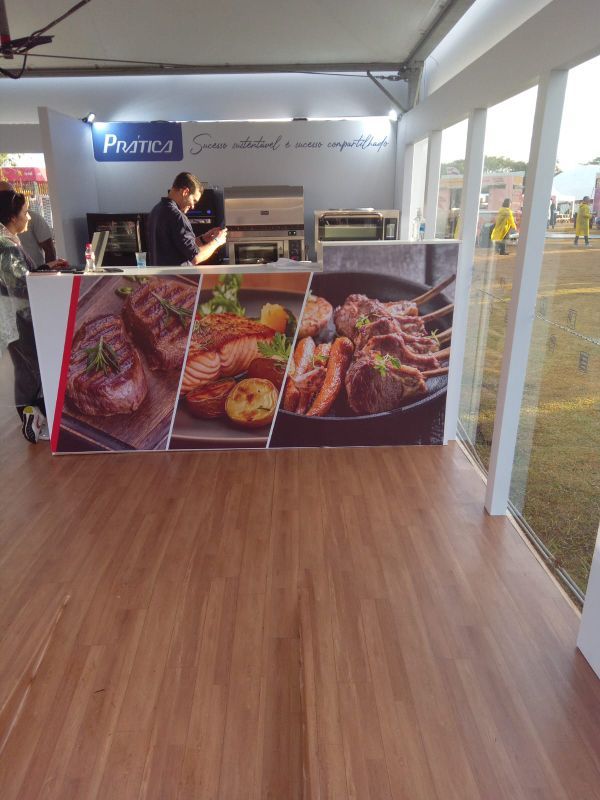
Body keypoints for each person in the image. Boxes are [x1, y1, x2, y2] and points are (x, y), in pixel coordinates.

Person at [0, 190, 68, 443]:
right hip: (17, 319)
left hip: (14, 317)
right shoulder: (6, 246)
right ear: (12, 216)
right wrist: (42, 278)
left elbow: (16, 277)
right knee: (32, 369)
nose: (28, 216)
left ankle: (36, 417)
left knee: (28, 368)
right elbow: (19, 285)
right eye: (25, 212)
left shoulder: (8, 242)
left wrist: (44, 269)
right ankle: (32, 418)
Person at [146, 172, 227, 266]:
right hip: (178, 279)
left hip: (161, 278)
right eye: (194, 200)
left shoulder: (156, 210)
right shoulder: (177, 216)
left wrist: (203, 239)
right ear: (185, 192)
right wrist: (217, 241)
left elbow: (179, 247)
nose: (193, 206)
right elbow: (196, 257)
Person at [0, 181, 56, 267]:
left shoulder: (33, 218)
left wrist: (48, 268)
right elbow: (21, 279)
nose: (28, 217)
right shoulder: (8, 247)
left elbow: (49, 249)